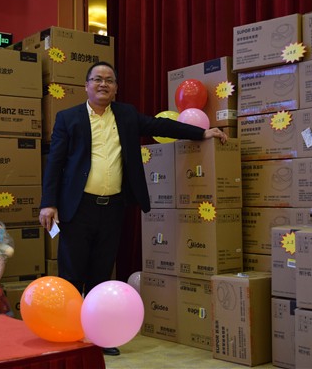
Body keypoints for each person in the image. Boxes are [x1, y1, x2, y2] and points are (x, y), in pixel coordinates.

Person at [39, 61, 227, 356]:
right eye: (97, 79)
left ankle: (100, 336)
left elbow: (159, 125)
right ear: (86, 86)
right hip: (77, 208)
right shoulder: (68, 118)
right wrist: (48, 203)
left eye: (109, 80)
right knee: (72, 274)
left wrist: (201, 133)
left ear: (116, 88)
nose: (103, 84)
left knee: (102, 274)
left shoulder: (125, 115)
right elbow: (55, 163)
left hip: (112, 208)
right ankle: (70, 336)